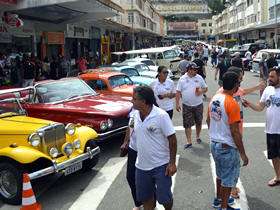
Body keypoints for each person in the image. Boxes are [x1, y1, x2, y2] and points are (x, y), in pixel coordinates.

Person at [216, 66, 265, 199]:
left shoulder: (235, 92)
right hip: (231, 135)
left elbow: (243, 93)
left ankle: (227, 190)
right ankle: (228, 193)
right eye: (239, 80)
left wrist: (241, 102)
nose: (241, 83)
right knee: (230, 166)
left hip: (237, 130)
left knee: (232, 165)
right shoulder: (222, 94)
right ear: (234, 82)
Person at [207, 71, 249, 210]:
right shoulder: (232, 103)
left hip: (215, 143)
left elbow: (208, 119)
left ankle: (218, 200)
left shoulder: (215, 98)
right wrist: (243, 153)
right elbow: (235, 131)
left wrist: (216, 133)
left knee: (220, 174)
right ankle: (224, 207)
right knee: (227, 179)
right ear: (236, 85)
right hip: (227, 147)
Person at [132, 86, 177, 210]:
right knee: (146, 198)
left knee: (164, 199)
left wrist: (172, 163)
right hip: (141, 167)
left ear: (143, 101)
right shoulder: (135, 115)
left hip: (161, 166)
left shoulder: (161, 116)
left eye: (134, 99)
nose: (132, 101)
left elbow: (172, 139)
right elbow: (132, 131)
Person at [243, 67, 280, 187]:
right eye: (269, 76)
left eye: (272, 77)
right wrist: (249, 104)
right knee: (274, 155)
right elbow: (260, 107)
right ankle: (278, 177)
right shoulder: (268, 90)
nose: (269, 79)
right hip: (271, 129)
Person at [176, 62, 208, 148]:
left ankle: (198, 136)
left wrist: (201, 92)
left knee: (199, 121)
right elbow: (178, 92)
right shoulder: (182, 79)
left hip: (198, 104)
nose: (196, 71)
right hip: (186, 105)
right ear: (189, 70)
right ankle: (188, 141)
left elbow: (205, 88)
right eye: (195, 69)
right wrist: (177, 103)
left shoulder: (199, 78)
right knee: (187, 124)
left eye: (196, 69)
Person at [120, 107, 142, 210]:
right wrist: (125, 141)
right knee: (130, 176)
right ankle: (138, 203)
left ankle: (152, 201)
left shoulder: (154, 112)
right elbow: (130, 126)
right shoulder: (133, 109)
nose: (132, 101)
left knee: (147, 177)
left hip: (146, 150)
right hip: (133, 148)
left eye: (134, 98)